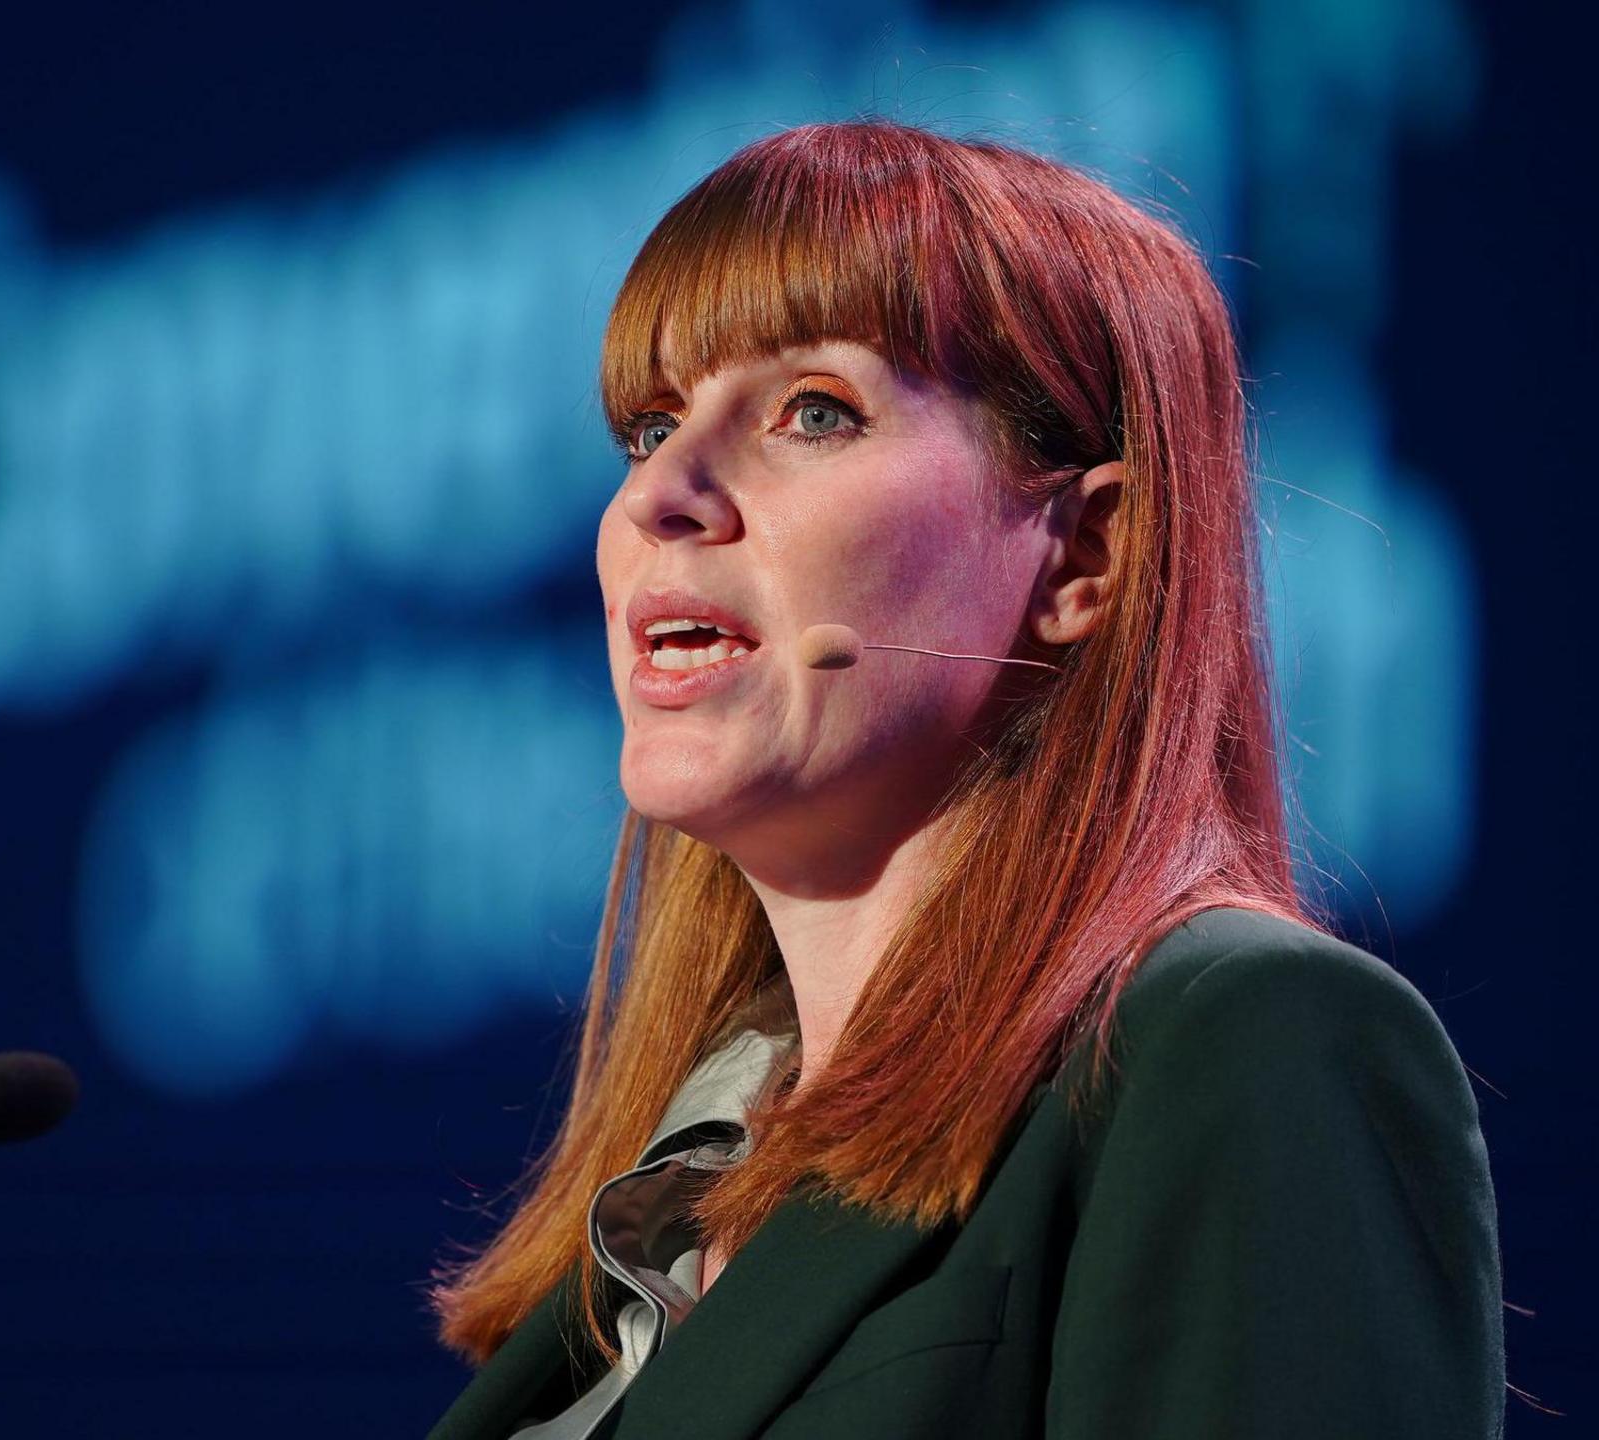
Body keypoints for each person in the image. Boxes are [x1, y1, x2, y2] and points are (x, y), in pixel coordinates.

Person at [424, 121, 1504, 1439]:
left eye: (812, 411)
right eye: (648, 427)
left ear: (1084, 554)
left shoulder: (1240, 1043)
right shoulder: (676, 1192)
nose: (666, 494)